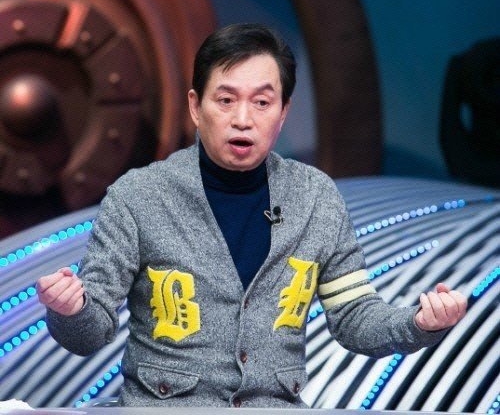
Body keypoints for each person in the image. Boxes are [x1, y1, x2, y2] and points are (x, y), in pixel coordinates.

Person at [37, 24, 467, 408]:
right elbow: (89, 334)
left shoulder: (315, 197)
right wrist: (70, 309)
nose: (243, 120)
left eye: (262, 102)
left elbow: (355, 317)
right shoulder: (138, 196)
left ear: (283, 113)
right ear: (195, 107)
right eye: (226, 100)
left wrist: (418, 323)